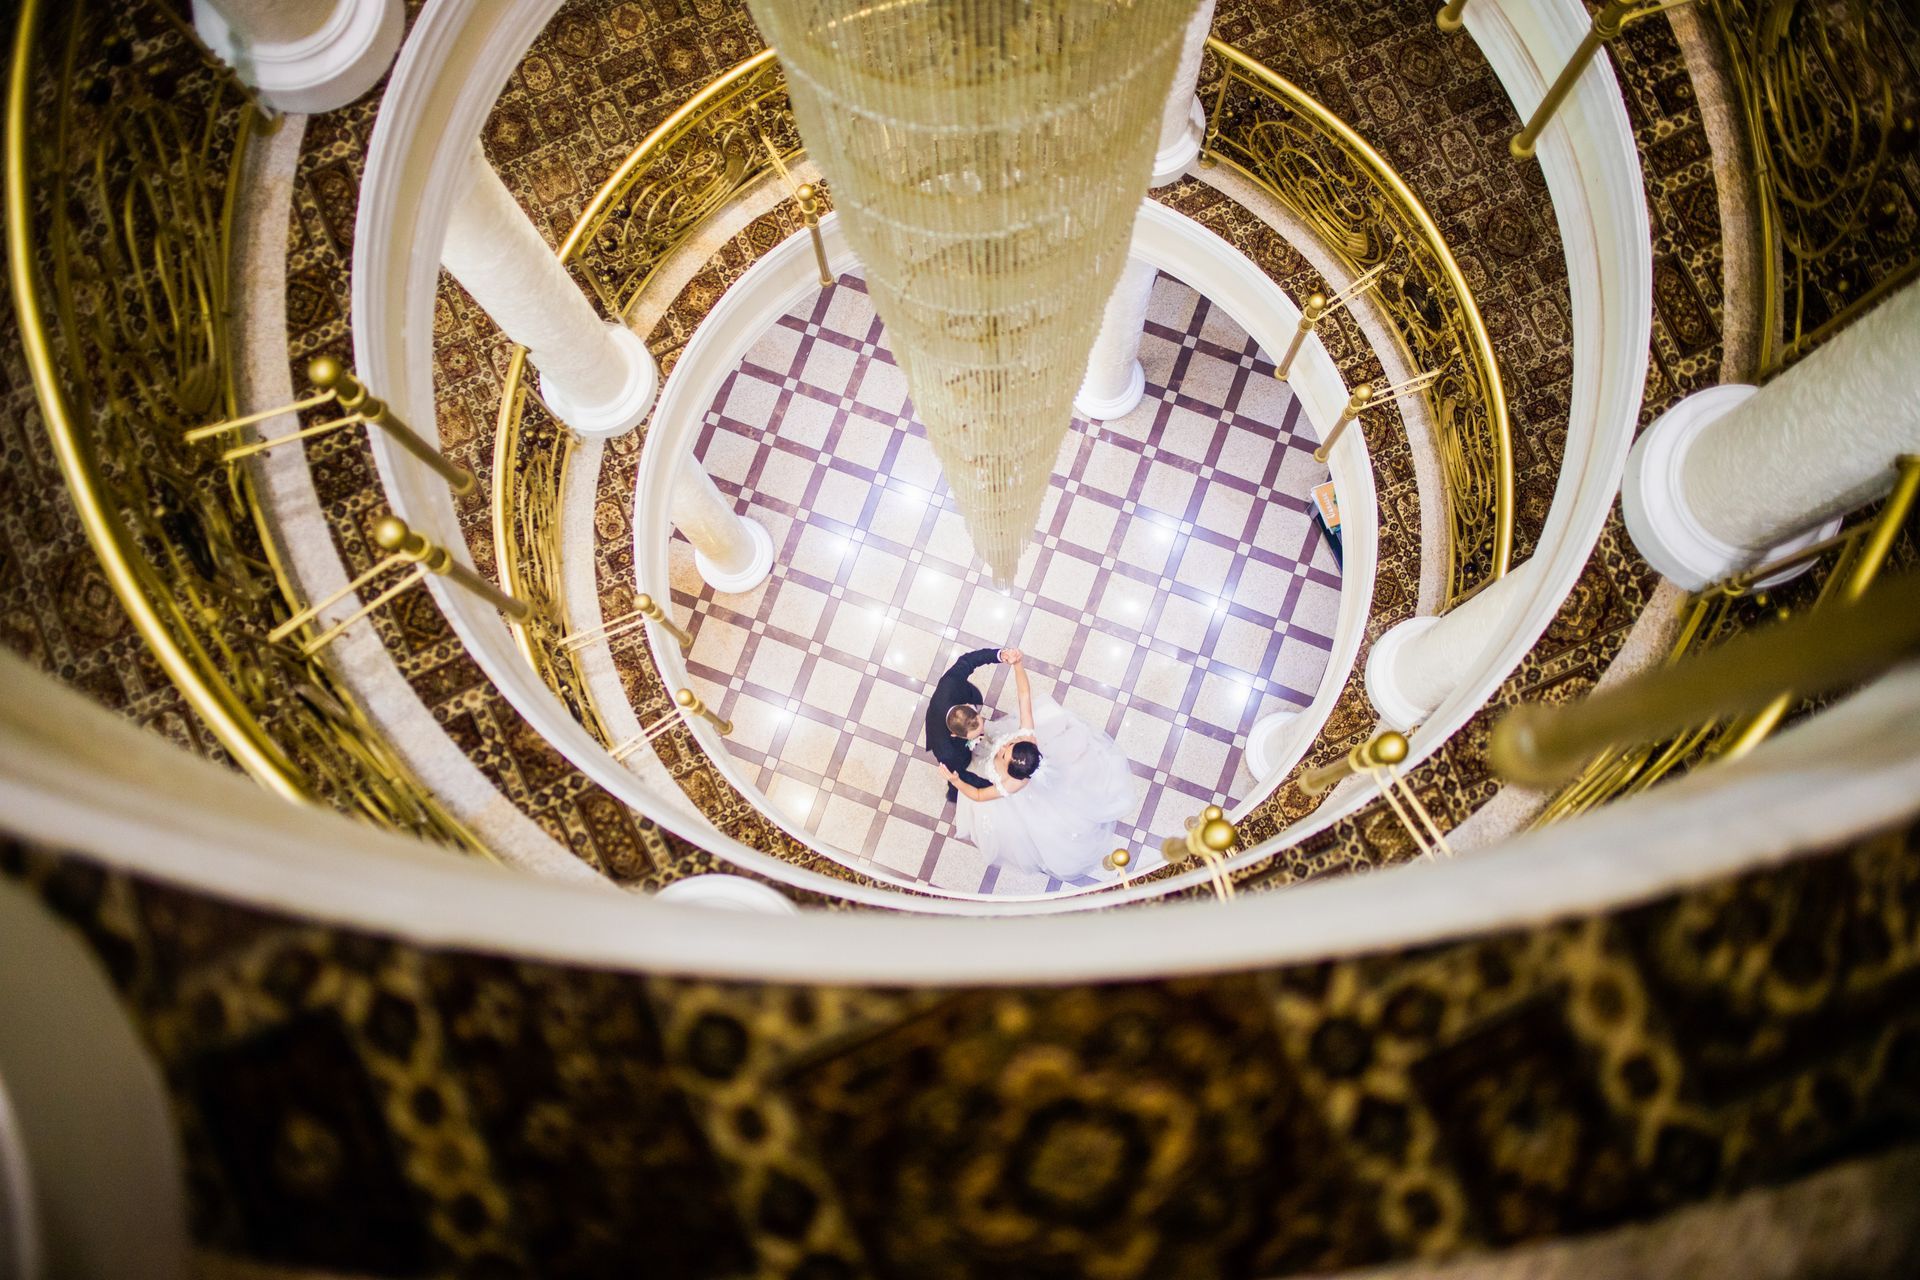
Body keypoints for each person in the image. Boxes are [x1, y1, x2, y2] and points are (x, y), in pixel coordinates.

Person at [937, 652, 1139, 881]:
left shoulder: (1012, 784)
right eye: (1010, 745)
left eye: (1003, 756)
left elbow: (980, 795)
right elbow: (1024, 696)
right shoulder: (1028, 737)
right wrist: (1017, 665)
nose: (1002, 748)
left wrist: (956, 781)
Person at [924, 645, 1019, 804]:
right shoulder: (946, 749)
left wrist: (999, 655)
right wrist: (994, 786)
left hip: (954, 700)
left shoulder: (950, 683)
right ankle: (953, 794)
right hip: (952, 751)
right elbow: (959, 773)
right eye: (977, 735)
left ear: (969, 707)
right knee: (958, 770)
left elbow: (968, 660)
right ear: (955, 735)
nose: (982, 734)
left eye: (980, 723)